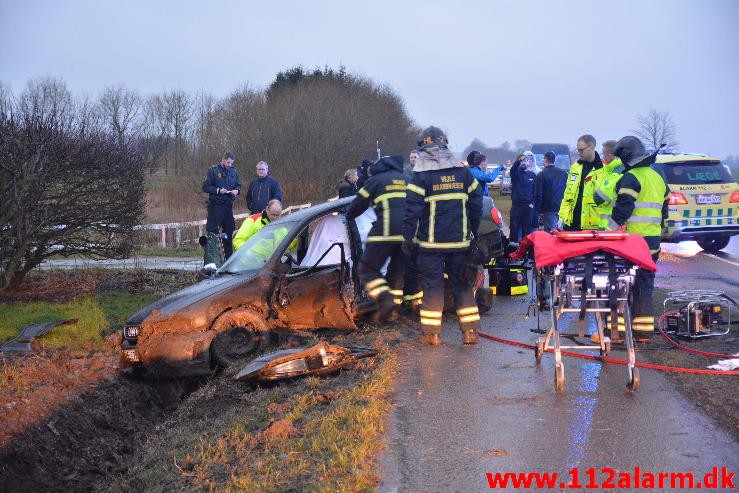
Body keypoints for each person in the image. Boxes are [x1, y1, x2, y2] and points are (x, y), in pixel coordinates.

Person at [403, 126, 483, 345]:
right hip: (460, 242)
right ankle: (470, 333)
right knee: (463, 285)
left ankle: (432, 335)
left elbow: (411, 211)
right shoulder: (463, 173)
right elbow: (477, 203)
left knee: (432, 286)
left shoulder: (420, 175)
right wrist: (472, 230)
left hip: (431, 245)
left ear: (422, 149)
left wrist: (407, 238)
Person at [597, 136, 669, 343]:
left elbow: (622, 210)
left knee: (617, 284)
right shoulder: (657, 177)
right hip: (652, 244)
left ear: (626, 157)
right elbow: (664, 209)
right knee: (644, 285)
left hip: (630, 245)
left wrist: (607, 234)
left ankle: (615, 333)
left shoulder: (630, 178)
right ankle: (643, 333)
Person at [346, 155, 407, 322]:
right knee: (395, 273)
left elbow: (359, 204)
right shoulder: (408, 178)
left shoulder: (377, 180)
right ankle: (392, 313)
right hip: (408, 235)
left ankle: (385, 301)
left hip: (386, 232)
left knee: (367, 268)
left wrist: (348, 215)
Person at [558, 134, 605, 231]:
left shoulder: (604, 169)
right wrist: (562, 217)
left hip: (592, 226)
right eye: (578, 150)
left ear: (591, 147)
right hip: (570, 224)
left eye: (581, 150)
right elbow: (567, 195)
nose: (579, 153)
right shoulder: (575, 167)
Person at [202, 151, 241, 259]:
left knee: (229, 231)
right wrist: (218, 190)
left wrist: (237, 191)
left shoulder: (233, 171)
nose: (229, 165)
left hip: (228, 206)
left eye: (231, 163)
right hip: (216, 206)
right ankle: (212, 259)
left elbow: (238, 185)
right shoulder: (213, 170)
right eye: (228, 162)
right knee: (213, 233)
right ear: (223, 159)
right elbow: (205, 187)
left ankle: (228, 259)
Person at [593, 140, 625, 229]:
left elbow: (598, 198)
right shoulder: (618, 170)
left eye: (604, 154)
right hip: (617, 223)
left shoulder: (616, 174)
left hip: (609, 225)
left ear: (610, 156)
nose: (603, 157)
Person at [533, 150, 567, 231]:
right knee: (560, 231)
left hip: (548, 208)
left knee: (551, 233)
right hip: (562, 206)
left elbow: (538, 193)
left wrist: (539, 209)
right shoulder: (563, 173)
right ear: (554, 160)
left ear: (545, 160)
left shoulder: (541, 174)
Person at [509, 152, 536, 241]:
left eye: (525, 160)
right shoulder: (516, 174)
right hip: (517, 206)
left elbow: (535, 191)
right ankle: (513, 249)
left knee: (527, 229)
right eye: (522, 160)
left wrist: (532, 203)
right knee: (514, 227)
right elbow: (513, 170)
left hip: (528, 206)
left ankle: (525, 250)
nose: (524, 162)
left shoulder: (532, 175)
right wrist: (518, 162)